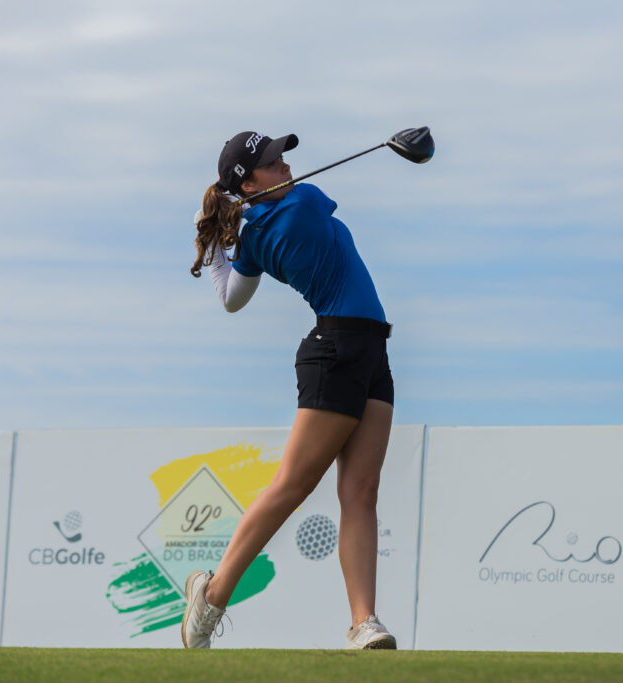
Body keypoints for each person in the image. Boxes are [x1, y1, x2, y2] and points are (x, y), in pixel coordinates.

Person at [182, 131, 397, 650]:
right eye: (273, 163)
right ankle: (210, 602)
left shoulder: (255, 236)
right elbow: (240, 287)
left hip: (369, 349)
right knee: (291, 487)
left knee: (361, 492)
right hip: (337, 350)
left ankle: (363, 623)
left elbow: (231, 296)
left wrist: (214, 245)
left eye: (283, 157)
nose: (286, 166)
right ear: (249, 182)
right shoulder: (303, 201)